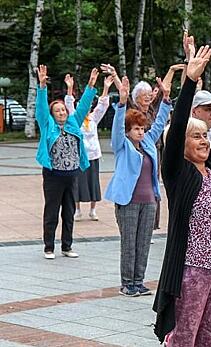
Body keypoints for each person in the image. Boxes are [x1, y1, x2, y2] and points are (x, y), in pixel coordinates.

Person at [153, 43, 211, 347]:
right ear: (180, 143)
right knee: (184, 339)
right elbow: (179, 122)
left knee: (209, 338)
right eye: (197, 136)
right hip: (193, 271)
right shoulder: (178, 174)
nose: (204, 141)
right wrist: (190, 82)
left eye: (205, 135)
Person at [104, 74, 171, 297]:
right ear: (128, 131)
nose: (141, 132)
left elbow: (160, 122)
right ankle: (127, 283)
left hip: (149, 201)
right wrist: (122, 103)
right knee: (129, 243)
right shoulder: (121, 145)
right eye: (136, 129)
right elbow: (116, 128)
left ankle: (139, 281)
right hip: (128, 201)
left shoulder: (149, 142)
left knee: (143, 243)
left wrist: (166, 98)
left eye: (142, 128)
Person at [36, 65, 98, 260]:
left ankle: (67, 246)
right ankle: (48, 247)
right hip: (53, 175)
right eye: (58, 110)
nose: (62, 112)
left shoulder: (73, 123)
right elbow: (41, 109)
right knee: (52, 212)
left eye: (63, 109)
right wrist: (42, 86)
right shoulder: (48, 125)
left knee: (69, 212)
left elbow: (83, 107)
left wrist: (90, 86)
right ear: (53, 114)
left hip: (71, 174)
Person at [64, 74, 113, 221]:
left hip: (93, 155)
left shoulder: (93, 119)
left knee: (93, 182)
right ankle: (77, 210)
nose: (86, 109)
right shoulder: (74, 119)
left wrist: (106, 88)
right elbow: (69, 104)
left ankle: (93, 210)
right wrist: (70, 88)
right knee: (77, 182)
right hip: (79, 156)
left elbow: (103, 105)